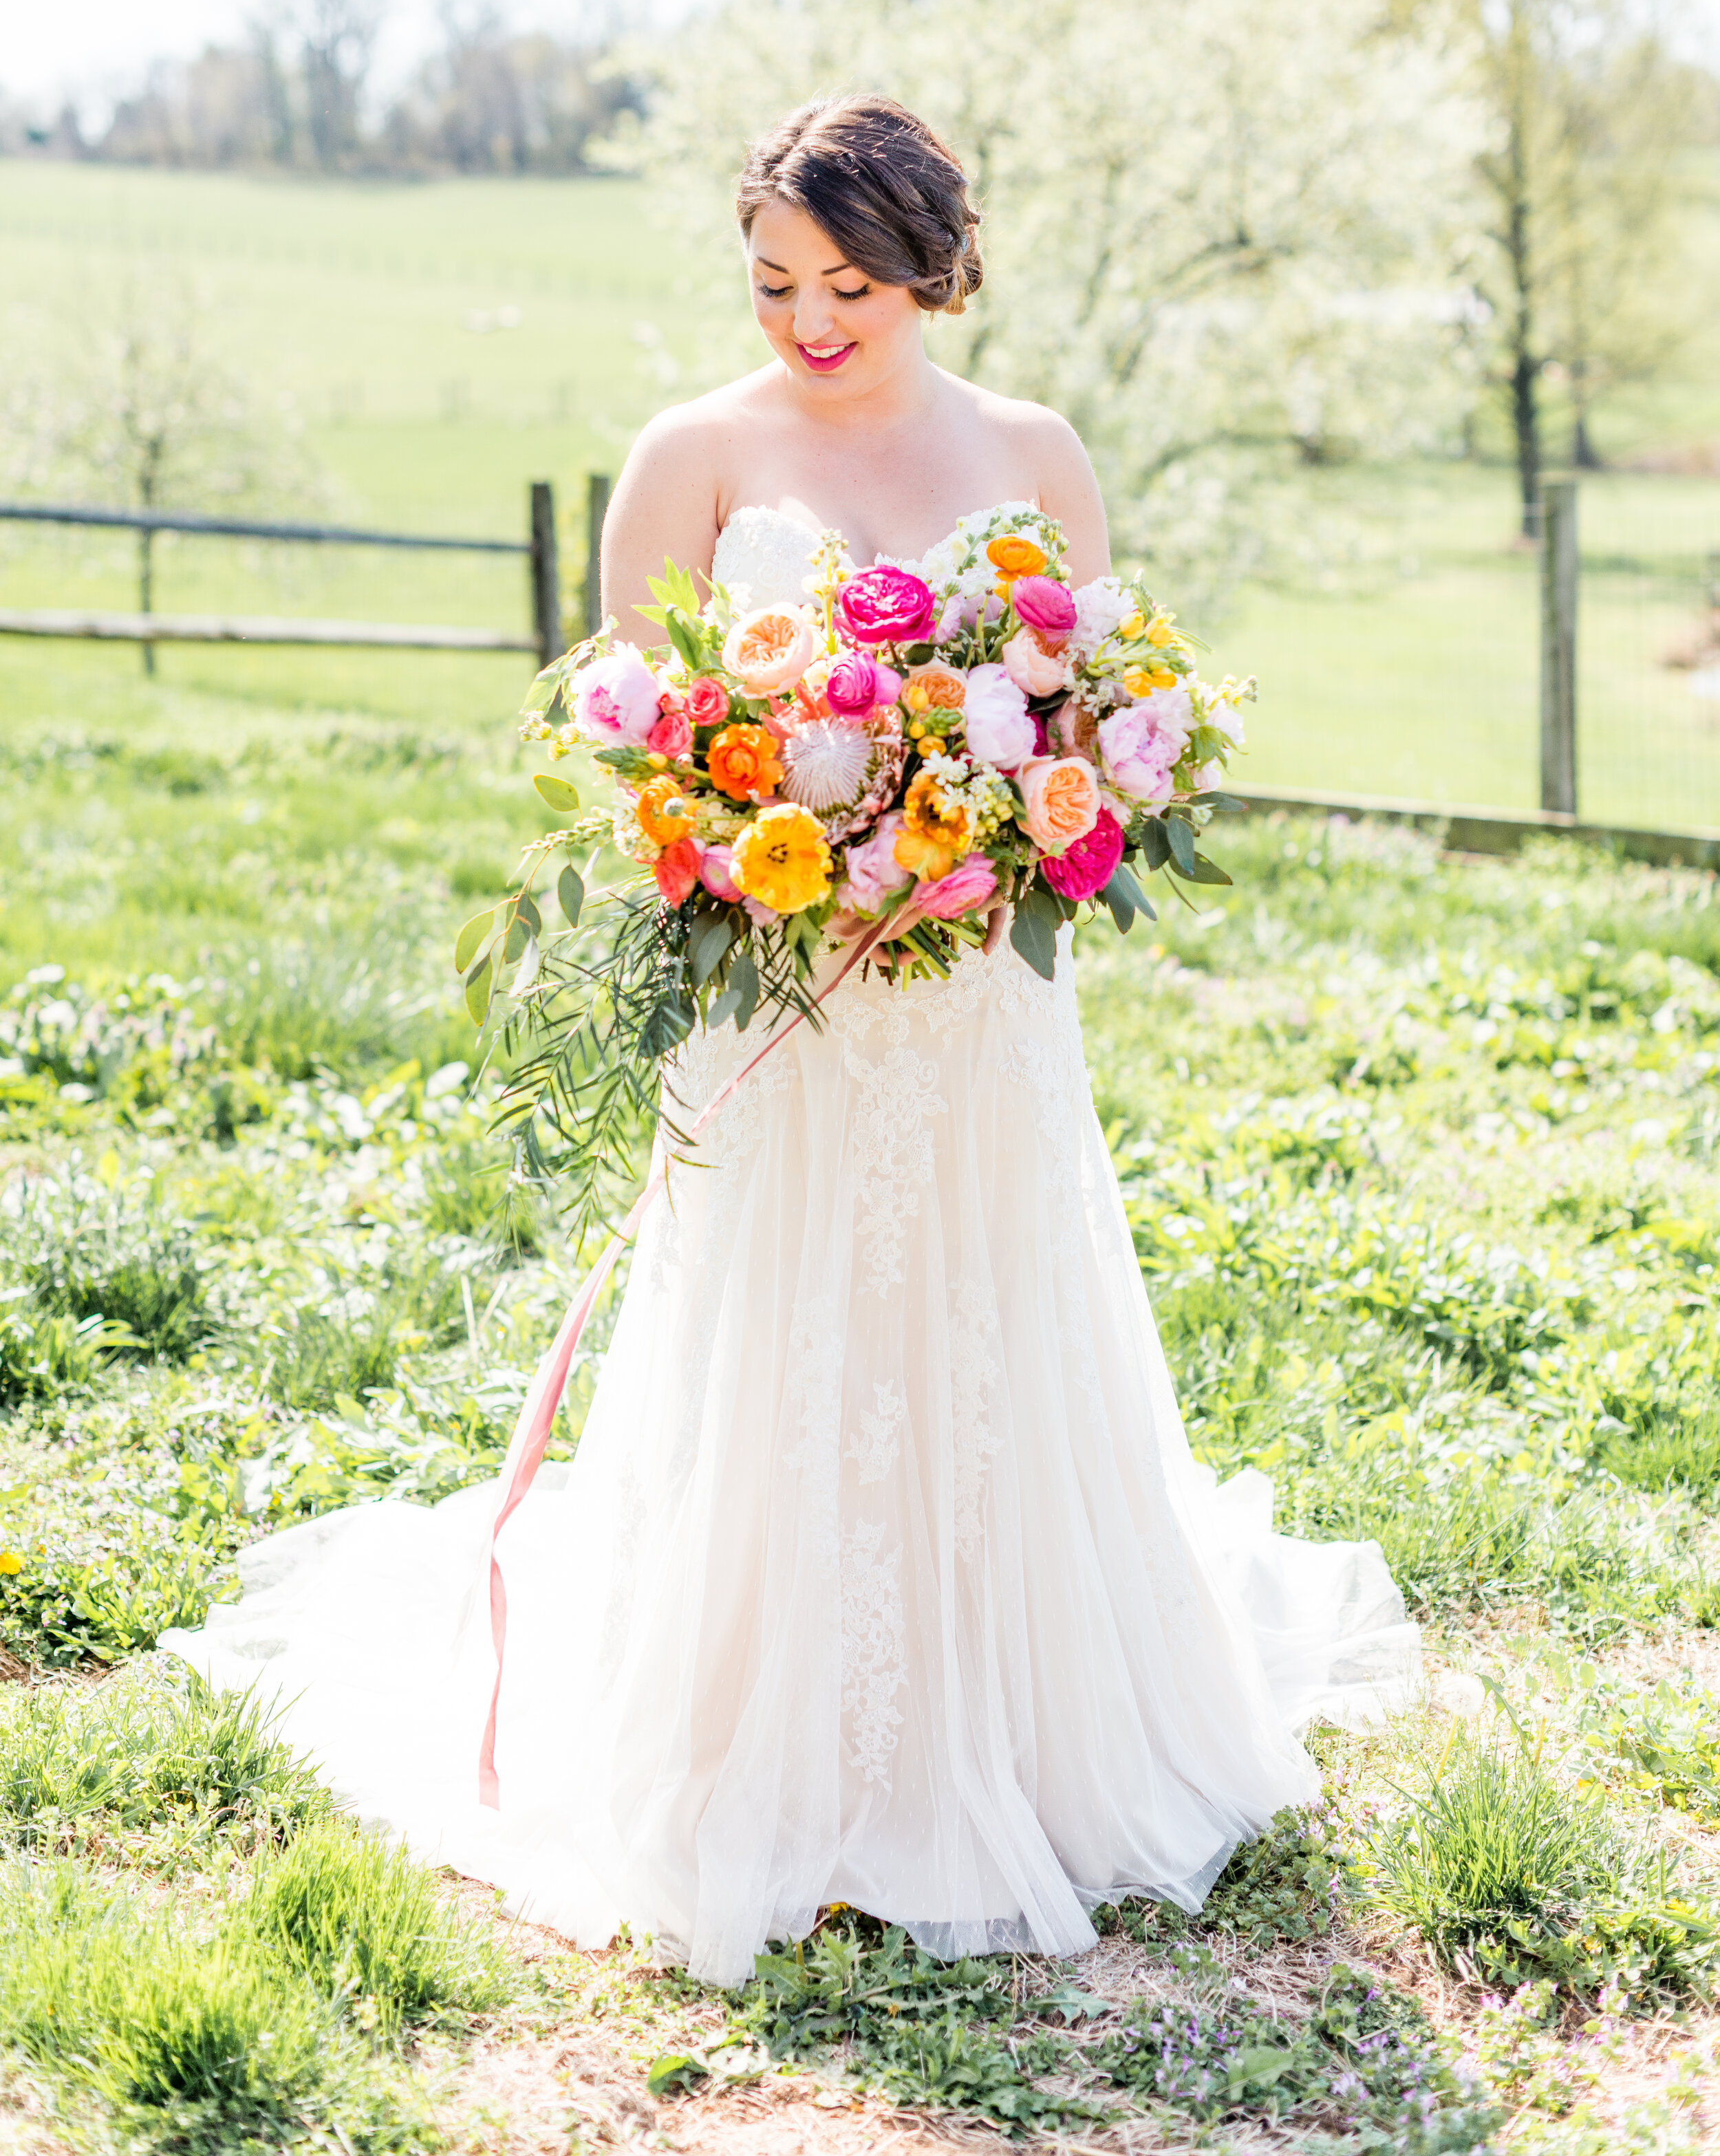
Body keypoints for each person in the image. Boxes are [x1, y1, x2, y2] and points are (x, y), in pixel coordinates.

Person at [166, 96, 1417, 1986]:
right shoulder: (696, 451)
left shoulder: (1030, 452)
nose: (809, 318)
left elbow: (1078, 722)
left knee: (981, 1321)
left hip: (977, 1000)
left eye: (848, 283)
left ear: (934, 267)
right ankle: (764, 1738)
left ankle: (1012, 1726)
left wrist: (998, 835)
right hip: (778, 997)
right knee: (787, 1324)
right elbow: (627, 731)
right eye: (773, 281)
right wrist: (758, 859)